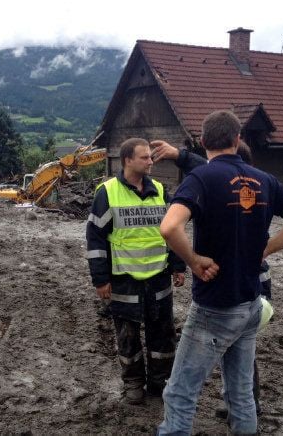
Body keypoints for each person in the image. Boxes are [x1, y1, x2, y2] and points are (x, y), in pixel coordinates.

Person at [156, 111, 283, 435]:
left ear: (203, 142)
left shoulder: (201, 178)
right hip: (251, 303)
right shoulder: (264, 180)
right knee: (241, 393)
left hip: (215, 307)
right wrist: (267, 248)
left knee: (179, 393)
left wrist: (193, 259)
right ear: (237, 139)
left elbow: (170, 226)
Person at [150, 138, 271, 416]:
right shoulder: (259, 185)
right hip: (256, 287)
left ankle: (246, 405)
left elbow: (208, 173)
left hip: (235, 291)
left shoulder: (227, 186)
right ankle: (244, 409)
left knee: (190, 383)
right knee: (241, 349)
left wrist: (192, 261)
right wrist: (179, 155)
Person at [86, 138, 186, 405]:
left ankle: (158, 382)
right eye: (145, 157)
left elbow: (173, 231)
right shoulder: (107, 193)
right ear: (127, 160)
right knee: (127, 335)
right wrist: (100, 279)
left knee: (162, 334)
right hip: (124, 280)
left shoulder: (161, 192)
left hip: (158, 279)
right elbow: (95, 239)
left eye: (151, 157)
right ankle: (133, 383)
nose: (151, 161)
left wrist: (178, 266)